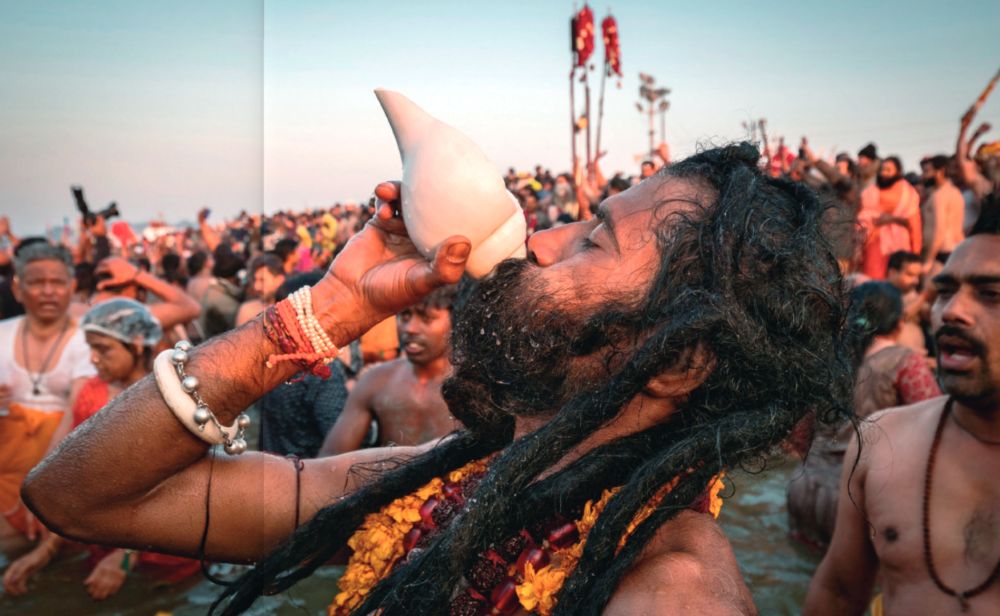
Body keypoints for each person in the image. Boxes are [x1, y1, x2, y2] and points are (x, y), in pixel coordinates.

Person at [24, 144, 851, 615]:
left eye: (592, 240)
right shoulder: (436, 487)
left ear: (676, 362)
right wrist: (329, 310)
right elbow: (77, 496)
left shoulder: (672, 593)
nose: (540, 239)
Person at [804, 200, 1000, 615]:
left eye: (990, 294)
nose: (951, 311)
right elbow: (838, 592)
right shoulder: (882, 440)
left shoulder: (837, 359)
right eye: (944, 292)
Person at [2, 298, 200, 599]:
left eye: (103, 349)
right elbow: (77, 478)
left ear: (137, 344)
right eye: (90, 348)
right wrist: (45, 550)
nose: (93, 359)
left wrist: (126, 557)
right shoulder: (91, 393)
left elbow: (179, 488)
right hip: (105, 540)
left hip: (165, 549)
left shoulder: (169, 397)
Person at [787, 281, 940, 549]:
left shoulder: (826, 359)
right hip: (859, 499)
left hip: (804, 488)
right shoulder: (905, 363)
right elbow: (938, 432)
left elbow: (798, 438)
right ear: (899, 324)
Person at [0, 243, 95, 548]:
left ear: (72, 287)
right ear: (18, 290)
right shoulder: (2, 335)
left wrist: (39, 487)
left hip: (59, 466)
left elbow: (75, 411)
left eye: (57, 282)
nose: (48, 292)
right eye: (37, 283)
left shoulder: (87, 340)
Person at [319, 284, 460, 455]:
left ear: (455, 321)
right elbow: (332, 458)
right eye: (405, 316)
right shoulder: (376, 381)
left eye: (426, 318)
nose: (410, 328)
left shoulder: (472, 385)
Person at [257, 272, 352, 459]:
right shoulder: (321, 371)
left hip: (272, 467)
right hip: (308, 471)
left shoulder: (273, 360)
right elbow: (338, 443)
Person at [89, 256, 201, 332]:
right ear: (129, 290)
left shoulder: (84, 311)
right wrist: (137, 274)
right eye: (140, 289)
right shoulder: (123, 316)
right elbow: (192, 308)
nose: (141, 295)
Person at [858, 156, 922, 279]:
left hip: (899, 247)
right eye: (882, 169)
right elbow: (861, 219)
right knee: (872, 282)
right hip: (873, 245)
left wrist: (892, 219)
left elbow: (914, 224)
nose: (884, 173)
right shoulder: (870, 191)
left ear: (898, 172)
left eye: (888, 170)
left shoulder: (908, 193)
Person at [921, 154, 966, 272]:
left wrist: (929, 260)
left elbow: (939, 229)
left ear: (940, 172)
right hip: (957, 249)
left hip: (942, 251)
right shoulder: (955, 192)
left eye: (927, 171)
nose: (923, 175)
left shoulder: (939, 196)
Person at [235, 253, 286, 327]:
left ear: (279, 280)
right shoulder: (248, 311)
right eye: (255, 280)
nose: (256, 287)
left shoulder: (291, 309)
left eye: (262, 280)